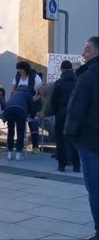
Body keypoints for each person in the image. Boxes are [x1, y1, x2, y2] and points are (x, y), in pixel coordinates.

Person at [65, 36, 99, 240]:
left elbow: (76, 109)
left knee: (95, 188)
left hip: (91, 140)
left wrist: (70, 137)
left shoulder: (88, 76)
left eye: (86, 50)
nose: (83, 54)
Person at [50, 60, 80, 172]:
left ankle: (61, 165)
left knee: (60, 139)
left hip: (61, 113)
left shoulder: (58, 83)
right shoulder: (78, 81)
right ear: (71, 68)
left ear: (61, 69)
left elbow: (53, 100)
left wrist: (53, 112)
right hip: (74, 113)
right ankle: (76, 165)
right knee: (73, 138)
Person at [11, 61, 42, 152]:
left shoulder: (35, 77)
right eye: (19, 71)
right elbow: (13, 89)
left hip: (33, 104)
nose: (20, 73)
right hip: (20, 106)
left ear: (26, 70)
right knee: (20, 126)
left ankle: (35, 147)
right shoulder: (17, 76)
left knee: (33, 125)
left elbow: (40, 92)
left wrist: (32, 100)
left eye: (22, 71)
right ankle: (20, 146)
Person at [3, 86, 36, 161]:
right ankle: (18, 153)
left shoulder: (14, 93)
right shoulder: (28, 94)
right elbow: (32, 106)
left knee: (10, 131)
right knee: (20, 132)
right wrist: (32, 116)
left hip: (8, 110)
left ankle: (9, 153)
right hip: (20, 110)